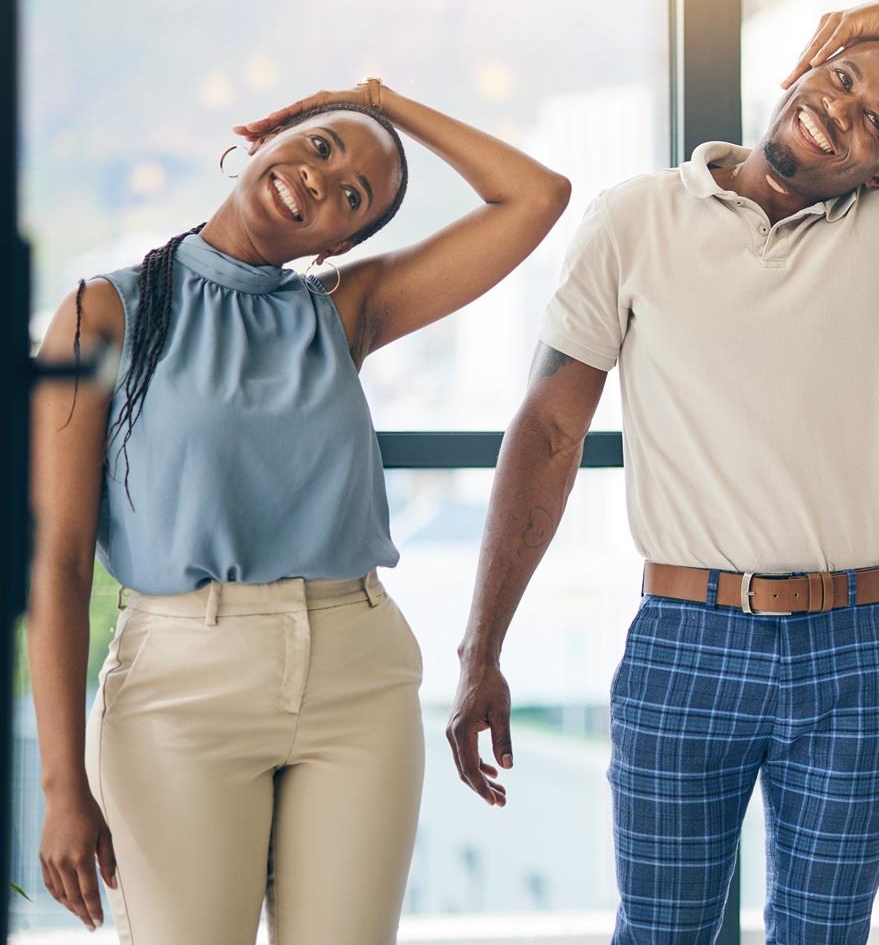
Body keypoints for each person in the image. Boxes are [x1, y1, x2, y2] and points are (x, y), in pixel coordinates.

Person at [444, 0, 879, 944]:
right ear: (800, 71)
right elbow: (548, 432)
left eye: (878, 119)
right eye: (840, 78)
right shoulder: (634, 219)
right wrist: (482, 650)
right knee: (663, 934)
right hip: (684, 641)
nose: (842, 109)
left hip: (857, 650)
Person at [27, 78, 571, 944]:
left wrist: (380, 100)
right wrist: (63, 785)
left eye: (352, 195)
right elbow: (56, 558)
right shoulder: (102, 313)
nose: (321, 180)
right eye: (319, 146)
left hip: (359, 678)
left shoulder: (347, 311)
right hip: (180, 689)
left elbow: (537, 197)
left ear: (341, 239)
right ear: (268, 136)